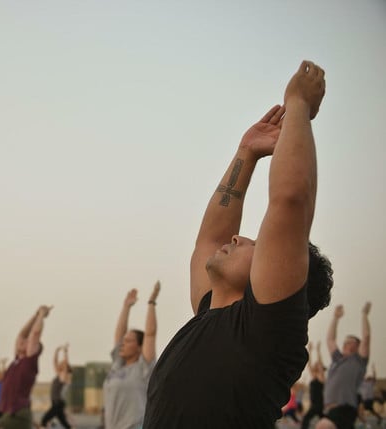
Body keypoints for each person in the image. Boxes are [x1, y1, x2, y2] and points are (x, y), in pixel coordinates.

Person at [142, 61, 334, 428]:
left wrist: (298, 106)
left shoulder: (269, 330)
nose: (236, 238)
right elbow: (210, 240)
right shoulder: (210, 312)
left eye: (258, 245)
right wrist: (246, 152)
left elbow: (290, 200)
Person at [0, 305, 52, 429]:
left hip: (19, 414)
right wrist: (35, 315)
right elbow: (21, 334)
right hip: (12, 414)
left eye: (27, 341)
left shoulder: (29, 361)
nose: (24, 340)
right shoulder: (17, 360)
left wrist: (42, 314)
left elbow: (35, 334)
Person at [104, 282, 159, 429]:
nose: (123, 343)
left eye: (128, 341)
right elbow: (119, 335)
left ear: (139, 347)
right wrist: (126, 306)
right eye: (124, 341)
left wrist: (151, 302)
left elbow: (150, 335)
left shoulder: (143, 368)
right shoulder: (117, 365)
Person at [315, 303, 371, 429]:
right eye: (345, 341)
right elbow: (330, 339)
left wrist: (364, 315)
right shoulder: (337, 359)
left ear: (357, 346)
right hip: (330, 410)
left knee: (322, 426)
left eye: (350, 341)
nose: (346, 343)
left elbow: (366, 338)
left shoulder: (359, 361)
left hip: (345, 408)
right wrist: (335, 318)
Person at [40, 344, 73, 429]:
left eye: (62, 363)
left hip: (58, 403)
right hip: (56, 402)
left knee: (44, 420)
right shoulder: (59, 375)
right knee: (65, 423)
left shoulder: (64, 376)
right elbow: (54, 362)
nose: (60, 363)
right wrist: (57, 351)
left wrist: (65, 352)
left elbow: (65, 365)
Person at [301, 342, 326, 429]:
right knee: (323, 419)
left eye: (317, 365)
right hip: (314, 404)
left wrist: (318, 351)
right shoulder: (313, 375)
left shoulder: (321, 376)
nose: (315, 365)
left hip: (318, 404)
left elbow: (320, 364)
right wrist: (310, 351)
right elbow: (309, 364)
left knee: (306, 419)